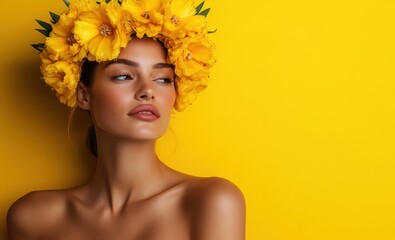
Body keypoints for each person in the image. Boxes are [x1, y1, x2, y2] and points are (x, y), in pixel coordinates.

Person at [6, 0, 245, 239]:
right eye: (123, 76)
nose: (148, 91)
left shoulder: (211, 203)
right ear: (84, 94)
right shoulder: (34, 217)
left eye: (162, 79)